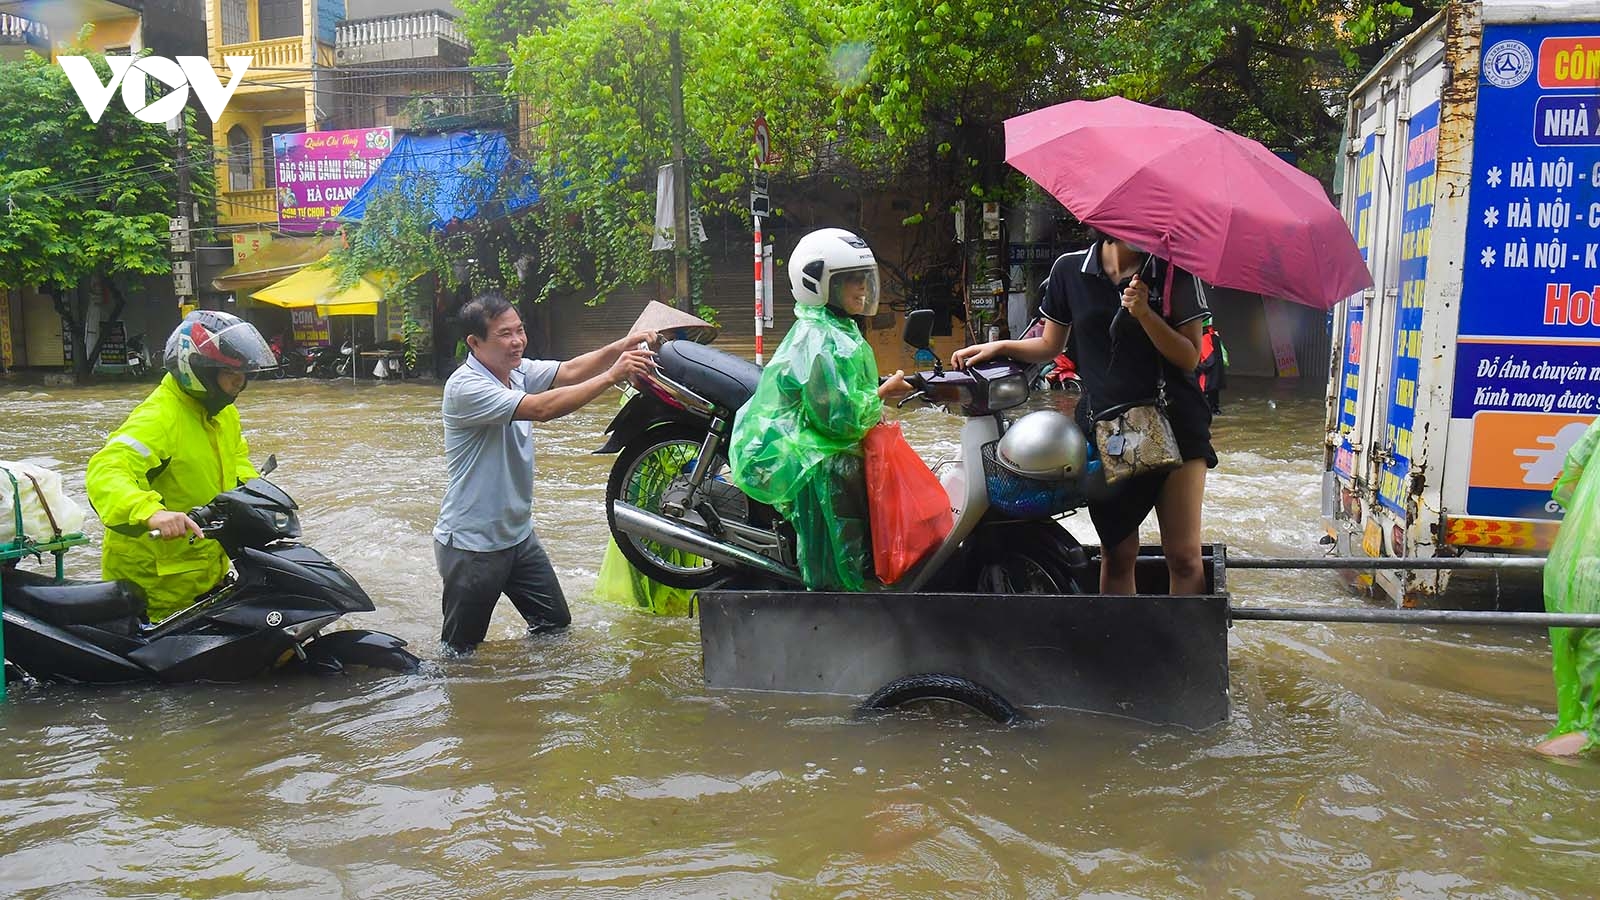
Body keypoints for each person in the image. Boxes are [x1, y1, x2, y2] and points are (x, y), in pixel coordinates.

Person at [952, 234, 1215, 595]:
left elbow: (1189, 357)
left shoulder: (1175, 273)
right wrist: (999, 346)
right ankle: (1115, 646)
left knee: (1183, 555)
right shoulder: (1070, 269)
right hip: (1110, 428)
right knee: (1118, 553)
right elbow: (1050, 345)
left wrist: (1145, 314)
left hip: (1177, 422)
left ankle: (1187, 648)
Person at [434, 293, 658, 653]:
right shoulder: (466, 387)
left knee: (554, 624)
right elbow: (541, 409)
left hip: (518, 537)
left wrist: (621, 347)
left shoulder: (516, 372)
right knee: (461, 652)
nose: (517, 341)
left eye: (520, 330)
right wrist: (613, 376)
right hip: (474, 544)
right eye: (505, 334)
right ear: (475, 343)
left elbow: (568, 371)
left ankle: (528, 693)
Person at [727, 227, 910, 592]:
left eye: (863, 278)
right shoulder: (821, 338)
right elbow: (837, 422)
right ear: (818, 284)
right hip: (814, 458)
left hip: (822, 446)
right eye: (850, 280)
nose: (861, 288)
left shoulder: (839, 329)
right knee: (840, 557)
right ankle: (834, 605)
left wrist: (876, 400)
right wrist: (882, 395)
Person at [86, 310, 279, 621]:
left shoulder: (222, 413)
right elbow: (107, 471)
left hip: (204, 570)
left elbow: (236, 459)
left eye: (244, 376)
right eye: (231, 376)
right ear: (198, 371)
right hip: (157, 586)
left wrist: (256, 492)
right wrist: (150, 512)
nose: (239, 385)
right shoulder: (159, 418)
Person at [1536, 416, 1600, 756]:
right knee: (1597, 731)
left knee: (1581, 709)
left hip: (1570, 568)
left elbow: (1567, 480)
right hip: (1596, 583)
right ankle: (1510, 760)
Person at [1196, 316, 1228, 413]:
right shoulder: (1214, 336)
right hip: (1215, 382)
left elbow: (1209, 361)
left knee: (1204, 411)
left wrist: (1195, 368)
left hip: (1207, 383)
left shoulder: (1204, 338)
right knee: (1214, 409)